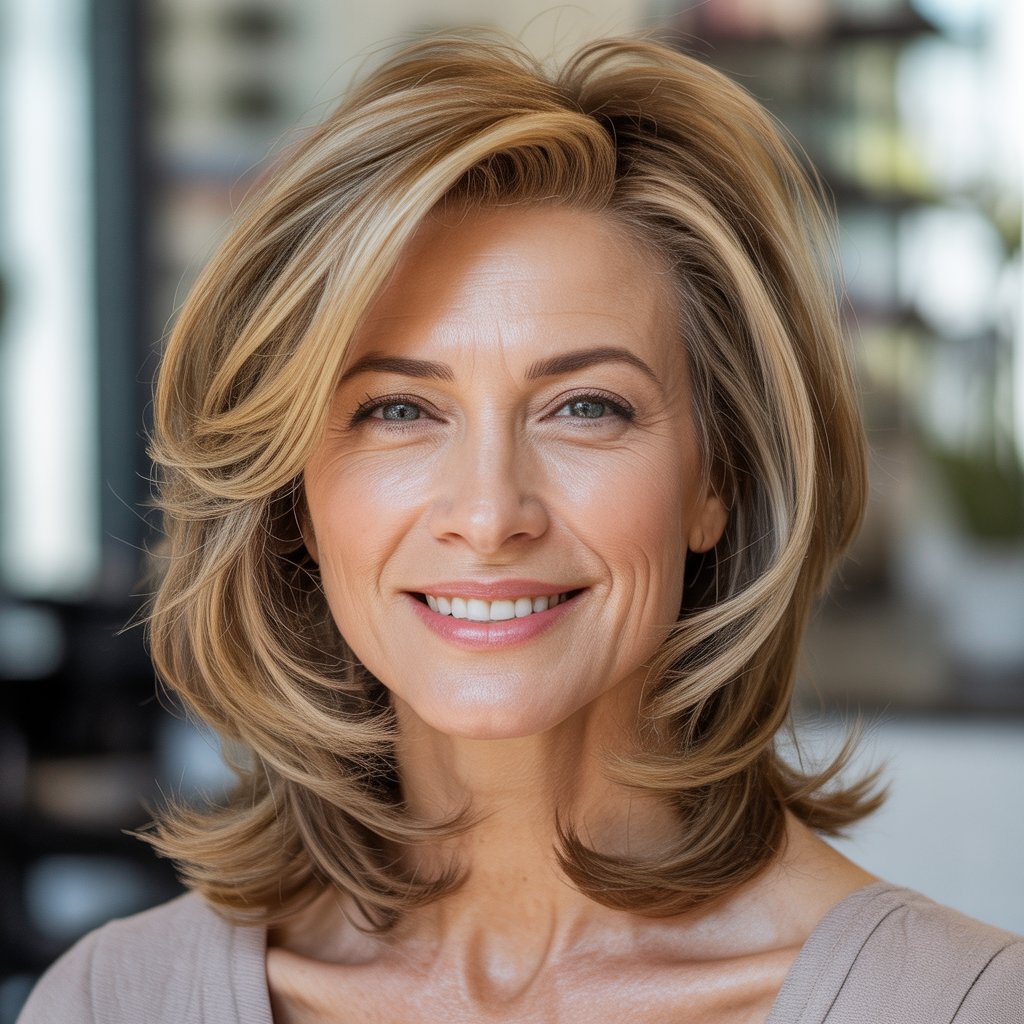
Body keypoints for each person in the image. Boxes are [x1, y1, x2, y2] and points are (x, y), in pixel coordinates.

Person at [18, 32, 1022, 1024]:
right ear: (296, 500)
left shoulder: (954, 1004)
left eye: (585, 406)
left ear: (717, 477)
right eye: (398, 411)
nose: (491, 514)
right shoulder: (115, 1000)